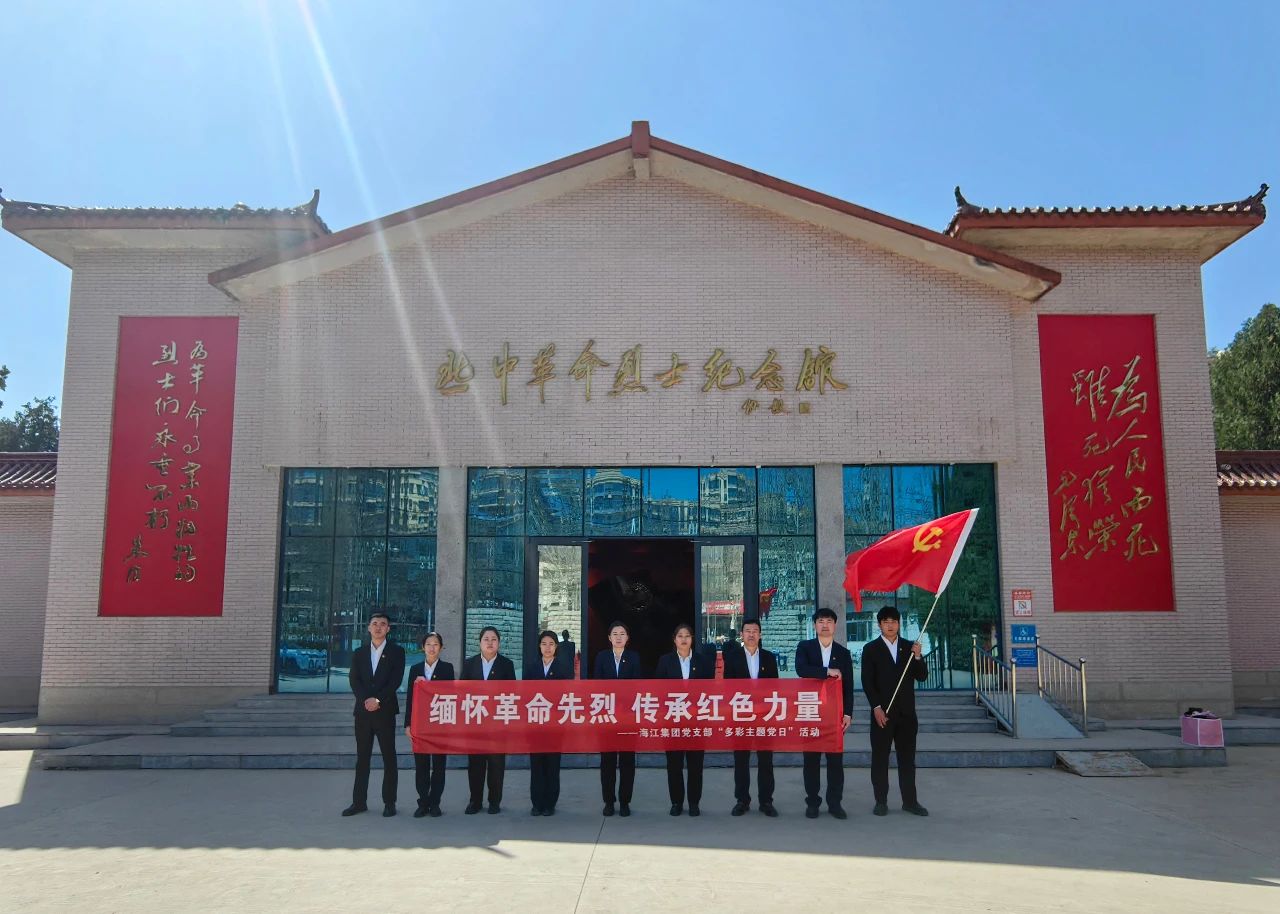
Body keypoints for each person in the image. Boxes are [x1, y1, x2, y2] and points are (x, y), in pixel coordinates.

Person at [862, 605, 929, 817]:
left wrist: (918, 657)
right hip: (882, 714)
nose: (890, 626)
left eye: (894, 622)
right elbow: (867, 682)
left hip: (907, 715)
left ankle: (910, 802)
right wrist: (876, 708)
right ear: (879, 625)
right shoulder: (871, 649)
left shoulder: (910, 647)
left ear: (899, 624)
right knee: (880, 759)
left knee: (907, 760)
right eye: (886, 622)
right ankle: (880, 801)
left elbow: (922, 677)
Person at [342, 611, 406, 818]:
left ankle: (389, 802)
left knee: (389, 757)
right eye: (375, 623)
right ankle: (358, 802)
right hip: (363, 713)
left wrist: (377, 700)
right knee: (362, 758)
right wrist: (366, 700)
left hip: (385, 711)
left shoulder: (397, 651)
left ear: (388, 629)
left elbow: (395, 681)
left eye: (383, 624)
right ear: (369, 628)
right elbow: (354, 680)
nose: (378, 627)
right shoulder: (359, 653)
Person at [795, 607, 854, 820]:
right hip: (811, 711)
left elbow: (848, 686)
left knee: (835, 762)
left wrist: (848, 714)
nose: (825, 625)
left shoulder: (843, 653)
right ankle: (812, 802)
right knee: (811, 761)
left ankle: (835, 803)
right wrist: (827, 671)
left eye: (829, 621)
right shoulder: (805, 647)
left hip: (834, 714)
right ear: (815, 625)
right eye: (821, 621)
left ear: (835, 625)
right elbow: (801, 669)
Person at [655, 622, 714, 816]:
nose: (684, 639)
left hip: (696, 721)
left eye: (687, 636)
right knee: (674, 764)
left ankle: (694, 803)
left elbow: (709, 690)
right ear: (674, 640)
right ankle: (676, 802)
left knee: (695, 765)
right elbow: (659, 691)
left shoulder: (702, 661)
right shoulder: (665, 661)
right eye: (680, 636)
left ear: (692, 639)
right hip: (673, 720)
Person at [723, 618, 778, 817]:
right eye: (748, 631)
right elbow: (728, 687)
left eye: (755, 631)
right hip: (741, 716)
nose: (751, 634)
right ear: (742, 635)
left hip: (764, 716)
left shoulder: (769, 658)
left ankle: (766, 801)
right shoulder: (732, 657)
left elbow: (775, 687)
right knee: (741, 760)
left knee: (766, 760)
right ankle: (742, 800)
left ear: (760, 635)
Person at [462, 626, 516, 814]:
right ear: (480, 643)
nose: (490, 642)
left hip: (497, 723)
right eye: (486, 639)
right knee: (475, 765)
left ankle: (494, 801)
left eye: (494, 639)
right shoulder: (469, 664)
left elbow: (512, 694)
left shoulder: (506, 664)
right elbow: (462, 692)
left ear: (499, 643)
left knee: (496, 764)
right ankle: (475, 801)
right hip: (475, 723)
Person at [593, 620, 641, 817]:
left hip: (628, 717)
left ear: (627, 638)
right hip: (607, 717)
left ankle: (625, 801)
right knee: (608, 761)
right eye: (615, 634)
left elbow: (636, 686)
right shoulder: (602, 657)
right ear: (609, 638)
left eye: (622, 634)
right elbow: (597, 685)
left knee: (627, 761)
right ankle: (609, 801)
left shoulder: (634, 658)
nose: (619, 637)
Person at [404, 631, 453, 818]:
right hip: (420, 724)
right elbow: (410, 698)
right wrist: (408, 724)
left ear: (441, 647)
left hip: (440, 722)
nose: (432, 648)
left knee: (439, 765)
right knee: (421, 765)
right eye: (428, 644)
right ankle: (423, 802)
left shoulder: (447, 668)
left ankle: (435, 803)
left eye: (435, 644)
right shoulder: (415, 669)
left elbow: (450, 694)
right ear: (423, 647)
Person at [525, 630, 568, 816]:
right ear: (539, 646)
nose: (547, 647)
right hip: (535, 724)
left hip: (555, 725)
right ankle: (537, 803)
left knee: (552, 765)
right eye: (544, 644)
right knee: (536, 766)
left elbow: (566, 696)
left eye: (551, 644)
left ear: (556, 647)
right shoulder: (531, 668)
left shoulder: (563, 668)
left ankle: (550, 803)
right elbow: (525, 696)